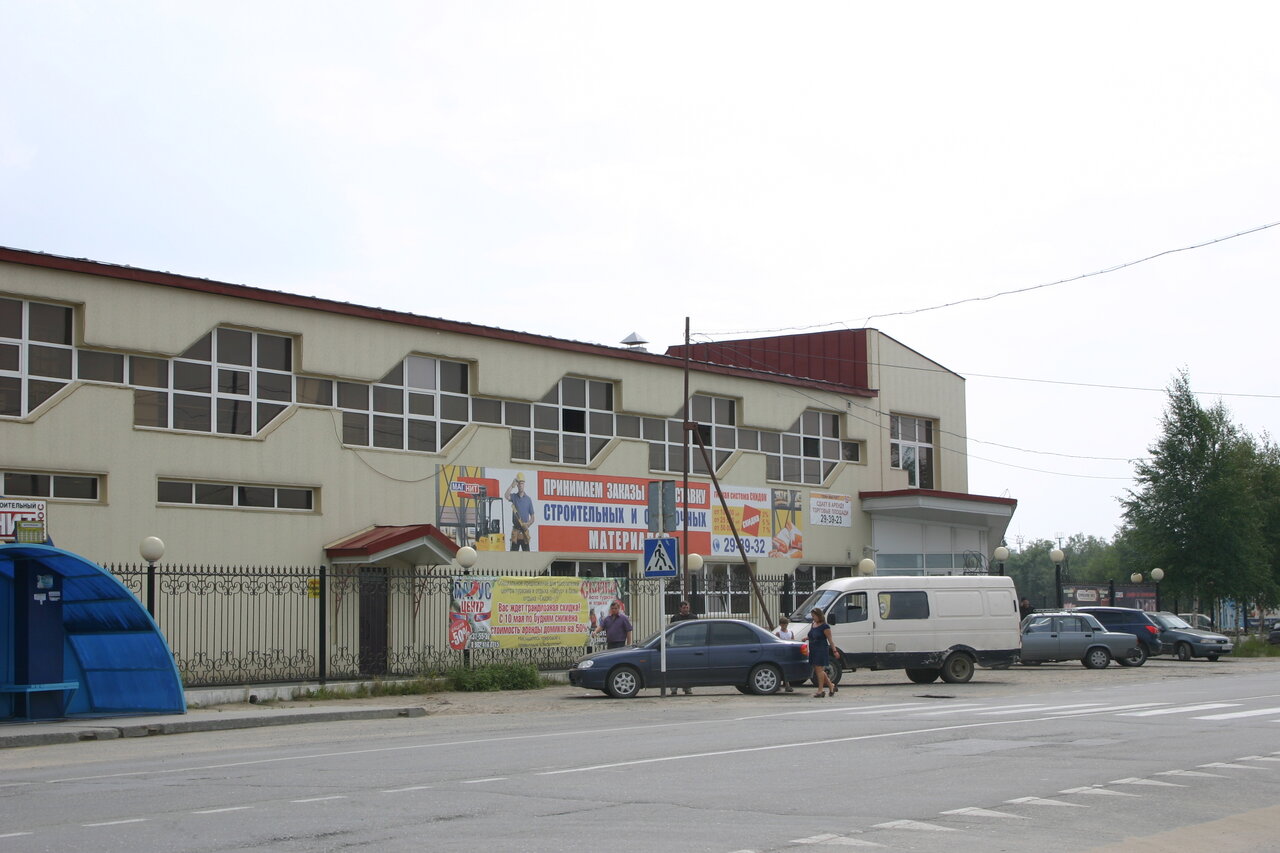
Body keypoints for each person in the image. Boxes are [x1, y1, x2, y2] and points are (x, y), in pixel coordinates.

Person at [808, 607, 839, 698]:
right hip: (813, 649)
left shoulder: (825, 627)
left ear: (819, 616)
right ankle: (831, 686)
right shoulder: (813, 624)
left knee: (819, 670)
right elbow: (812, 635)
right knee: (819, 670)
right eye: (812, 616)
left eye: (814, 616)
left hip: (821, 649)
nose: (813, 618)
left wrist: (835, 651)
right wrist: (806, 638)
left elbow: (830, 640)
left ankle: (820, 690)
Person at [670, 600, 697, 693]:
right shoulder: (675, 618)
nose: (686, 609)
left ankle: (687, 687)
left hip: (690, 644)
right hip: (678, 644)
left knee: (688, 667)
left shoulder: (693, 617)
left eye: (687, 607)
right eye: (684, 607)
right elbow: (670, 630)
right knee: (676, 666)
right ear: (680, 608)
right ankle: (674, 687)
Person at [506, 473, 535, 551]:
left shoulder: (528, 500)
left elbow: (533, 518)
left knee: (527, 555)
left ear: (524, 484)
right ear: (517, 485)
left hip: (524, 532)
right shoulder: (514, 497)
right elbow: (506, 496)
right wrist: (512, 486)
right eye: (519, 483)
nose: (520, 485)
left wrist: (528, 524)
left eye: (522, 483)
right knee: (513, 555)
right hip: (516, 532)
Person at [771, 615, 796, 693]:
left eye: (785, 624)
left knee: (787, 669)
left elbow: (793, 641)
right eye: (783, 624)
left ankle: (787, 684)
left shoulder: (790, 632)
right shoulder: (778, 633)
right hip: (782, 653)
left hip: (788, 652)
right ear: (780, 625)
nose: (784, 625)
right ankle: (783, 685)